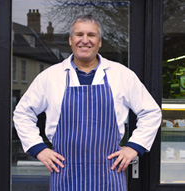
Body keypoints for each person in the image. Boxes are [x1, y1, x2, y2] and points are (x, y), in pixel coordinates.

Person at [13, 14, 162, 191]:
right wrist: (39, 148)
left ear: (99, 42)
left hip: (109, 175)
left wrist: (134, 147)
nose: (85, 40)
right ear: (70, 40)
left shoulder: (121, 75)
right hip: (65, 175)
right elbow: (22, 113)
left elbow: (151, 112)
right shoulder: (50, 77)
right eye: (79, 34)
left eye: (91, 35)